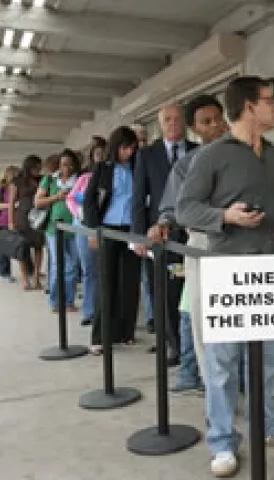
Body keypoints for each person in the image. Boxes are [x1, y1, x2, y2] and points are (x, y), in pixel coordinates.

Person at [176, 76, 274, 478]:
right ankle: (223, 441)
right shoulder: (210, 156)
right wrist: (225, 217)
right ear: (247, 106)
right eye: (269, 102)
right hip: (225, 268)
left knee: (265, 361)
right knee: (223, 362)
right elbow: (185, 209)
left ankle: (268, 424)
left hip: (270, 267)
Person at [151, 94, 228, 395]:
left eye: (218, 119)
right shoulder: (187, 165)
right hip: (203, 243)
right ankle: (214, 391)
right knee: (201, 318)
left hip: (245, 243)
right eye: (206, 123)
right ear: (195, 129)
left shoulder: (246, 154)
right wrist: (163, 223)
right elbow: (173, 207)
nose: (215, 127)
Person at [133, 105, 199, 366]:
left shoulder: (198, 151)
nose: (172, 123)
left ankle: (193, 345)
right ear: (160, 124)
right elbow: (138, 198)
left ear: (185, 122)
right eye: (167, 120)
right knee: (164, 291)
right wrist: (139, 236)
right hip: (159, 233)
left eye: (177, 119)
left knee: (190, 290)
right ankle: (175, 346)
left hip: (192, 231)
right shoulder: (147, 155)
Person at [83, 126, 141, 354]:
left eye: (132, 148)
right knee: (106, 284)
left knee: (129, 284)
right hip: (107, 229)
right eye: (125, 148)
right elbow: (89, 202)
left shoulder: (137, 167)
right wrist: (94, 230)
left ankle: (126, 333)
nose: (129, 152)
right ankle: (100, 336)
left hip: (132, 230)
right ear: (116, 147)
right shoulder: (102, 169)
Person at [35, 149, 80, 312]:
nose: (66, 167)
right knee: (59, 265)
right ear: (58, 165)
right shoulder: (49, 180)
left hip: (75, 229)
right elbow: (38, 202)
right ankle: (55, 301)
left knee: (73, 265)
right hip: (54, 229)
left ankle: (68, 301)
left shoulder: (79, 180)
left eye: (69, 164)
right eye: (63, 164)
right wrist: (57, 197)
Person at [67, 141, 106, 326]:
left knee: (106, 270)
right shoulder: (85, 178)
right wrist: (79, 212)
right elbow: (71, 198)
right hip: (83, 225)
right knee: (89, 269)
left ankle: (107, 310)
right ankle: (89, 311)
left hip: (106, 226)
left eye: (103, 153)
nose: (100, 157)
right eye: (97, 154)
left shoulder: (113, 176)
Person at [8, 155, 45, 291]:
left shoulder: (42, 179)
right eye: (36, 167)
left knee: (38, 247)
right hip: (22, 218)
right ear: (29, 166)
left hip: (39, 218)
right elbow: (11, 203)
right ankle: (24, 279)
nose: (39, 169)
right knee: (23, 250)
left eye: (40, 167)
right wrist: (11, 221)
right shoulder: (17, 181)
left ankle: (35, 277)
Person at [0, 165, 19, 283]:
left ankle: (30, 270)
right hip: (4, 221)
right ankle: (5, 273)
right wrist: (12, 205)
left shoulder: (18, 187)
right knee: (5, 248)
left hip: (19, 220)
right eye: (17, 174)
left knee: (25, 246)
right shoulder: (0, 188)